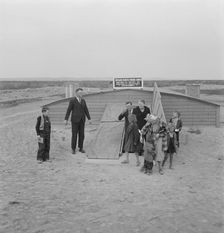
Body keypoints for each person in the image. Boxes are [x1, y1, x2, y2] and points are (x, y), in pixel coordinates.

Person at [64, 88, 91, 154]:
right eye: (80, 93)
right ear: (76, 93)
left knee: (82, 135)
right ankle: (73, 148)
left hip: (82, 120)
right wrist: (66, 119)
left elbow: (86, 110)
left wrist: (89, 118)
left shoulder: (83, 101)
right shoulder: (72, 100)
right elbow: (69, 110)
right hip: (75, 120)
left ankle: (80, 147)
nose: (81, 94)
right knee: (74, 135)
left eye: (82, 93)